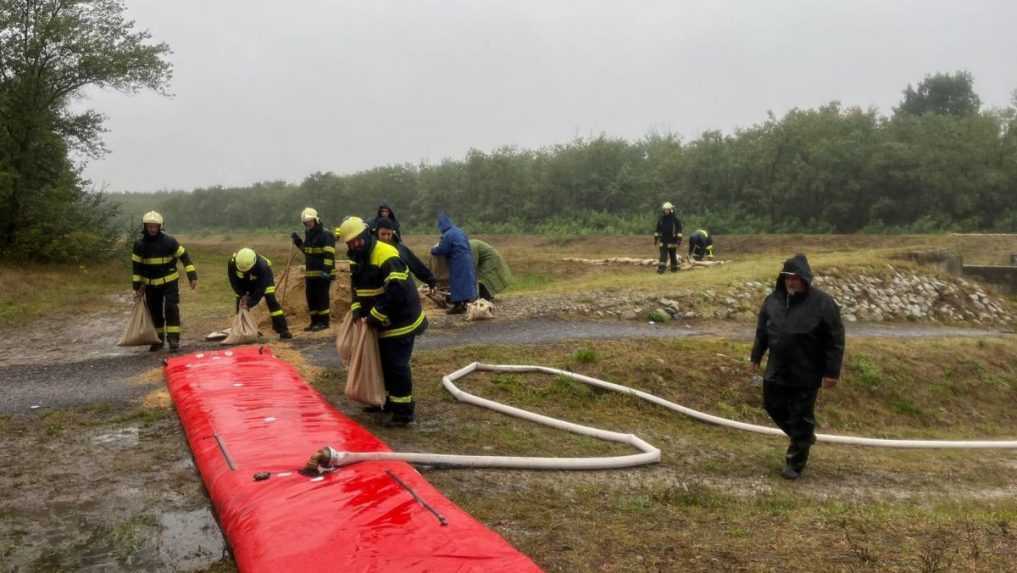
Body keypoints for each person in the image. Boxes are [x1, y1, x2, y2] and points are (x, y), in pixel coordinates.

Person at [750, 254, 845, 480]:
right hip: (777, 368)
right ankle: (802, 437)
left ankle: (795, 463)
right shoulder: (772, 301)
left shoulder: (823, 304)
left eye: (795, 278)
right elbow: (762, 332)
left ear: (804, 278)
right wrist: (755, 357)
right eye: (787, 278)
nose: (791, 282)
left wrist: (832, 372)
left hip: (807, 370)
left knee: (802, 414)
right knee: (771, 404)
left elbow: (835, 340)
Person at [339, 216, 427, 427]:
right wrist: (358, 309)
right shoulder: (356, 257)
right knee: (383, 363)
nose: (355, 245)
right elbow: (356, 288)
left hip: (401, 320)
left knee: (396, 365)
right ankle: (386, 401)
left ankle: (403, 413)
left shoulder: (386, 254)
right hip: (380, 320)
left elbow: (397, 291)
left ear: (366, 235)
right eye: (350, 243)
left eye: (357, 241)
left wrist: (376, 315)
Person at [131, 211, 198, 352]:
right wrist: (136, 286)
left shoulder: (170, 241)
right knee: (155, 312)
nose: (152, 229)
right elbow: (136, 267)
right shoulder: (139, 245)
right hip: (150, 285)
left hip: (170, 282)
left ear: (160, 226)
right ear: (145, 227)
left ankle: (173, 339)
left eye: (155, 226)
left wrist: (192, 276)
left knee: (171, 308)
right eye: (149, 226)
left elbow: (185, 257)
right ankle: (158, 340)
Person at [228, 248, 292, 340]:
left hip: (263, 281)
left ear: (254, 263)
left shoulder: (263, 266)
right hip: (244, 282)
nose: (245, 271)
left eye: (246, 270)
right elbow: (234, 281)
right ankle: (240, 330)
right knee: (240, 304)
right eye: (243, 270)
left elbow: (261, 289)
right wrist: (242, 295)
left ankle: (283, 330)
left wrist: (250, 302)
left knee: (271, 301)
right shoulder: (232, 262)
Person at [291, 207, 335, 331]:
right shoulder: (309, 234)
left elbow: (329, 254)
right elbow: (307, 251)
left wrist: (326, 271)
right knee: (311, 297)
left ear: (316, 219)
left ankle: (324, 323)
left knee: (322, 298)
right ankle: (314, 322)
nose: (308, 223)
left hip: (323, 273)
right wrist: (298, 241)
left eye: (310, 221)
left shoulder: (326, 234)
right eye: (306, 222)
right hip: (310, 273)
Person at [431, 213, 477, 314]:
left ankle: (457, 306)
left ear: (441, 225)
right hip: (468, 258)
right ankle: (466, 304)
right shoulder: (460, 231)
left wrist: (433, 250)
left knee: (457, 282)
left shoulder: (448, 235)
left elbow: (443, 249)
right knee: (467, 281)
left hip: (457, 260)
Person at [374, 215, 436, 288]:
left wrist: (430, 279)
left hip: (397, 290)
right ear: (377, 233)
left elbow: (416, 265)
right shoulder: (370, 249)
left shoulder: (400, 249)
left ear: (393, 233)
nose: (386, 237)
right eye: (383, 234)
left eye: (388, 234)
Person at [654, 202, 683, 273]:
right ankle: (661, 269)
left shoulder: (675, 220)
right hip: (663, 240)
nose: (666, 211)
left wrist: (679, 239)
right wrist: (656, 238)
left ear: (671, 210)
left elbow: (679, 230)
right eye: (665, 210)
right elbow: (657, 230)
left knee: (672, 255)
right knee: (663, 255)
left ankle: (674, 268)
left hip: (672, 240)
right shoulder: (661, 219)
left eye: (667, 210)